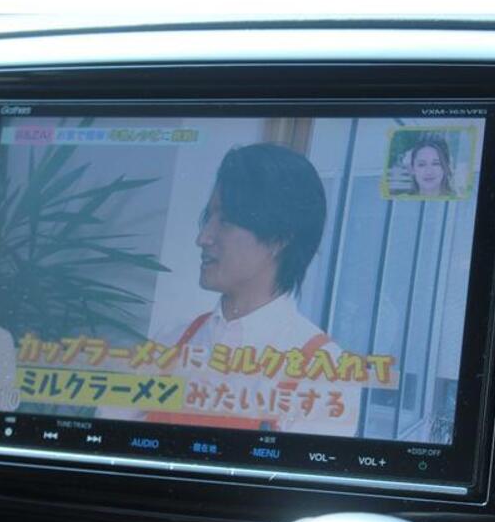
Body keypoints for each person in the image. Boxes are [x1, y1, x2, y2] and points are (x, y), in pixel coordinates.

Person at [146, 143, 362, 436]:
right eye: (208, 218)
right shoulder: (170, 340)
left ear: (279, 238)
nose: (203, 237)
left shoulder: (327, 373)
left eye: (225, 221)